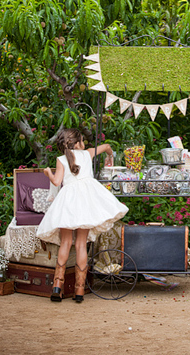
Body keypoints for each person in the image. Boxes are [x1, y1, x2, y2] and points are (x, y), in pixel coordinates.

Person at [37, 128, 129, 303]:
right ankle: (79, 290)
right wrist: (110, 156)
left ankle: (57, 285)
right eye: (82, 140)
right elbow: (108, 146)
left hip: (68, 203)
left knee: (65, 243)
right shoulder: (88, 154)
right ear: (78, 143)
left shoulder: (61, 159)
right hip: (86, 203)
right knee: (81, 244)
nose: (84, 143)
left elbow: (57, 182)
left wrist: (48, 173)